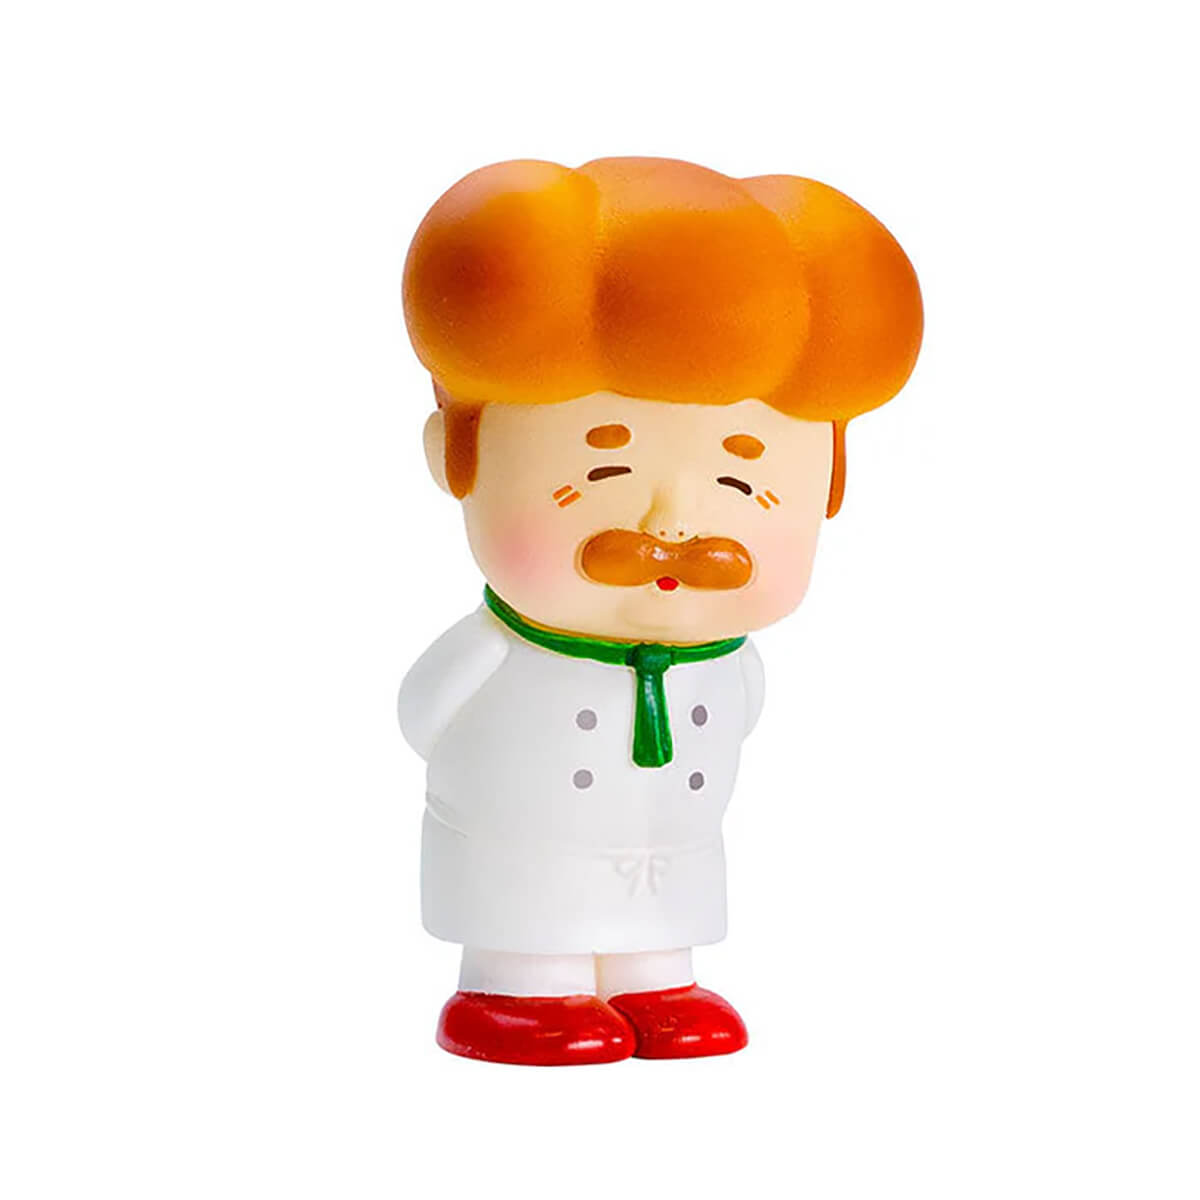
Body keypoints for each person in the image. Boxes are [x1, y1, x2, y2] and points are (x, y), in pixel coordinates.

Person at [398, 157, 923, 1064]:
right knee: (536, 907)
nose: (670, 524)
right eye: (601, 472)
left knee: (660, 897)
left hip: (668, 852)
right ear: (459, 457)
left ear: (830, 486)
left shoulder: (731, 665)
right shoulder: (498, 653)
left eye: (741, 484)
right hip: (519, 854)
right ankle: (518, 985)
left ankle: (656, 977)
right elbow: (422, 716)